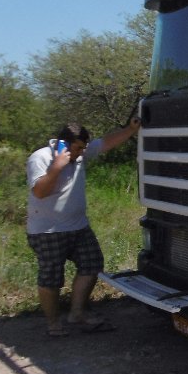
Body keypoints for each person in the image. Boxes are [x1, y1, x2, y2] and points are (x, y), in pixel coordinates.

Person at [26, 118, 141, 336]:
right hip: (48, 232)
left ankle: (76, 313)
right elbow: (40, 192)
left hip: (78, 227)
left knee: (92, 263)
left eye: (83, 148)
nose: (82, 152)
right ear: (63, 144)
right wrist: (57, 167)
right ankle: (53, 324)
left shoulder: (79, 154)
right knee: (51, 277)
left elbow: (105, 143)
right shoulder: (40, 158)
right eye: (78, 148)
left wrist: (130, 130)